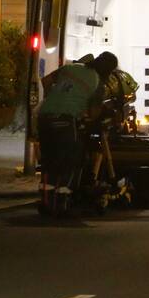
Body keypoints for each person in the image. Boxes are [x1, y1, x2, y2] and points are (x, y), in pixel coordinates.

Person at [38, 51, 119, 194]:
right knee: (72, 157)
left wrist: (51, 98)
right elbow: (93, 114)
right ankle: (63, 195)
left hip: (44, 117)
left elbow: (45, 81)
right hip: (65, 120)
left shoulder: (70, 68)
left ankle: (45, 195)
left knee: (49, 158)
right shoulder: (97, 83)